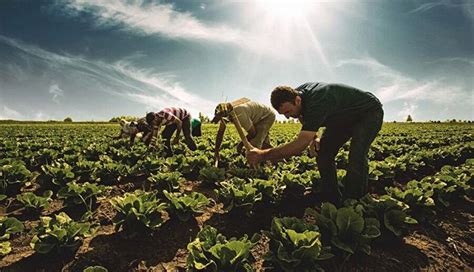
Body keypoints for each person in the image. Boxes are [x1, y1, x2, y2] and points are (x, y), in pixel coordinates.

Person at [246, 82, 383, 204]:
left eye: (288, 112)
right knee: (323, 152)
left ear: (297, 100)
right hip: (341, 118)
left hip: (367, 113)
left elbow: (299, 145)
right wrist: (314, 137)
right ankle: (331, 196)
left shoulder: (318, 100)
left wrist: (262, 155)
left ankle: (354, 202)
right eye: (284, 114)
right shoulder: (296, 96)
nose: (288, 117)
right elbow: (302, 115)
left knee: (356, 155)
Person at [211, 100, 275, 163]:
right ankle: (276, 160)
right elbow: (220, 133)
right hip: (256, 116)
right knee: (264, 144)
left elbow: (253, 133)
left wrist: (241, 144)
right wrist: (216, 151)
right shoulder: (225, 113)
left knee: (254, 145)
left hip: (266, 116)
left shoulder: (239, 114)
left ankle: (255, 168)